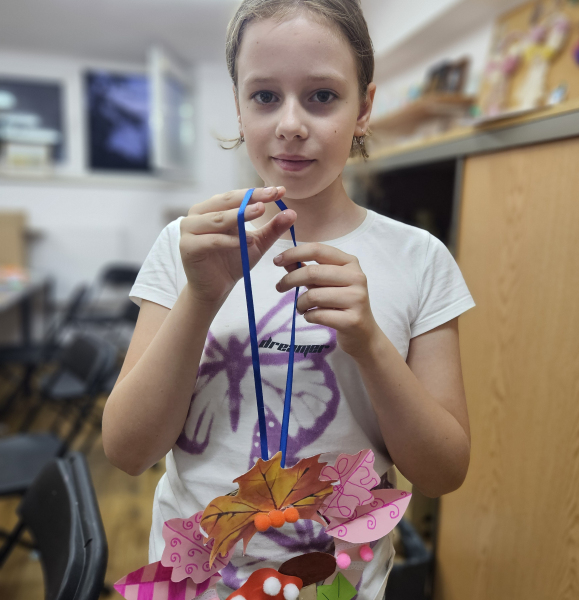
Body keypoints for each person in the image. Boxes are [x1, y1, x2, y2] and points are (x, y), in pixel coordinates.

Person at [102, 1, 475, 598]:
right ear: (239, 106)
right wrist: (201, 298)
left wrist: (369, 344)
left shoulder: (420, 259)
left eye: (322, 96)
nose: (291, 124)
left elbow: (443, 472)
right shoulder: (186, 246)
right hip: (192, 582)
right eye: (265, 96)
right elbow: (126, 450)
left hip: (340, 585)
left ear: (364, 108)